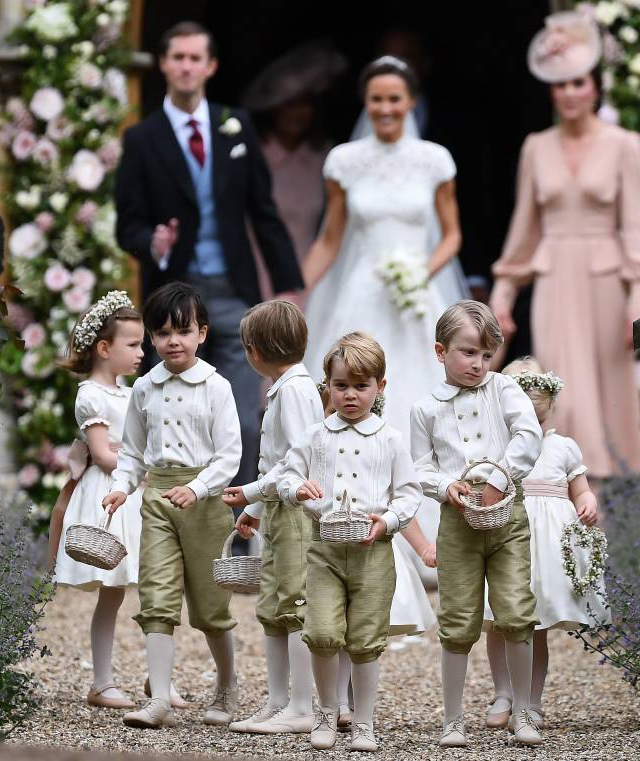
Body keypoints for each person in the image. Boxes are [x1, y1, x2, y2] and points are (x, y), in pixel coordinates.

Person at [114, 20, 303, 489]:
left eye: (195, 58)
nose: (185, 66)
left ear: (210, 66)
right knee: (169, 422)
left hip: (234, 291)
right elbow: (126, 225)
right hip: (173, 298)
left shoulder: (233, 125)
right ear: (163, 64)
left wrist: (286, 285)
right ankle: (164, 524)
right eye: (177, 57)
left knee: (243, 419)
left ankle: (236, 538)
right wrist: (151, 241)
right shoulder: (142, 138)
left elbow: (263, 211)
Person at [489, 10, 640, 479]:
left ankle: (594, 525)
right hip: (554, 279)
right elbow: (523, 233)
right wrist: (502, 298)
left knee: (606, 403)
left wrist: (637, 301)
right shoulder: (535, 147)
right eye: (560, 85)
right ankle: (569, 512)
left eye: (579, 82)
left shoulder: (625, 144)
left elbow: (637, 231)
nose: (569, 93)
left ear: (595, 85)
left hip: (605, 283)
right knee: (562, 393)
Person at [102, 282, 242, 730]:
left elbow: (229, 456)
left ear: (202, 333)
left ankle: (227, 683)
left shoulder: (216, 386)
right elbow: (131, 453)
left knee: (210, 606)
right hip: (157, 499)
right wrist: (122, 486)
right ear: (150, 337)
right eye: (161, 333)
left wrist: (199, 488)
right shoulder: (144, 388)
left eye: (182, 331)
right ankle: (159, 697)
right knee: (157, 597)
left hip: (204, 502)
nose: (172, 341)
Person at [300, 55, 463, 440]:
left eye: (394, 99)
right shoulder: (344, 161)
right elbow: (329, 240)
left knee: (422, 383)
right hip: (361, 292)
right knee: (347, 382)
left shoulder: (434, 160)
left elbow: (452, 235)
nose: (385, 108)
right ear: (365, 102)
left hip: (415, 297)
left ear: (411, 102)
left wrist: (420, 275)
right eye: (377, 99)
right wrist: (297, 291)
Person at [276, 332, 421, 753]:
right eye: (341, 386)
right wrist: (295, 490)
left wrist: (389, 520)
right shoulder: (315, 436)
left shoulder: (391, 439)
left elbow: (409, 493)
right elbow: (287, 473)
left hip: (372, 551)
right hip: (324, 551)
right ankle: (325, 711)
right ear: (328, 386)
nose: (351, 395)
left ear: (380, 386)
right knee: (322, 631)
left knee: (365, 638)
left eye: (361, 386)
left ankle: (363, 721)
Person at [409, 301, 543, 747]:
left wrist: (501, 478)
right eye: (468, 353)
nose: (478, 365)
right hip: (458, 522)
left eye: (486, 356)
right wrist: (446, 485)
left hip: (507, 519)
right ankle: (452, 719)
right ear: (440, 350)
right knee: (459, 619)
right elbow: (420, 467)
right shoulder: (425, 409)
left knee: (516, 611)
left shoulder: (504, 390)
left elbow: (528, 435)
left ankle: (523, 712)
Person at [482, 356, 610, 730]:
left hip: (548, 549)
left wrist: (587, 503)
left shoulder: (564, 447)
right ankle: (503, 692)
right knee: (499, 622)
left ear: (550, 404)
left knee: (534, 627)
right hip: (509, 541)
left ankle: (531, 701)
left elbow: (581, 489)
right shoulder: (499, 447)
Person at [221, 300, 324, 735]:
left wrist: (249, 491)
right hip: (279, 509)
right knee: (273, 606)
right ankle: (278, 699)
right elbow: (276, 464)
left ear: (255, 352)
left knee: (296, 603)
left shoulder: (297, 391)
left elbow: (299, 460)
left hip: (298, 512)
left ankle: (302, 705)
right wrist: (255, 508)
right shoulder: (284, 387)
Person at [47, 292, 146, 711]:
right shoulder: (91, 395)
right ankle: (102, 681)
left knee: (153, 589)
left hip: (135, 490)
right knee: (113, 590)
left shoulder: (131, 392)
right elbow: (104, 455)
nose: (142, 352)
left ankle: (158, 677)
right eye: (134, 345)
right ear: (104, 349)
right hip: (111, 495)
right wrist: (145, 462)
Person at [242, 40, 347, 299]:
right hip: (258, 275)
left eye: (303, 104)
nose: (296, 113)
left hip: (314, 276)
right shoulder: (253, 154)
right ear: (273, 109)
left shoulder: (325, 156)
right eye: (288, 104)